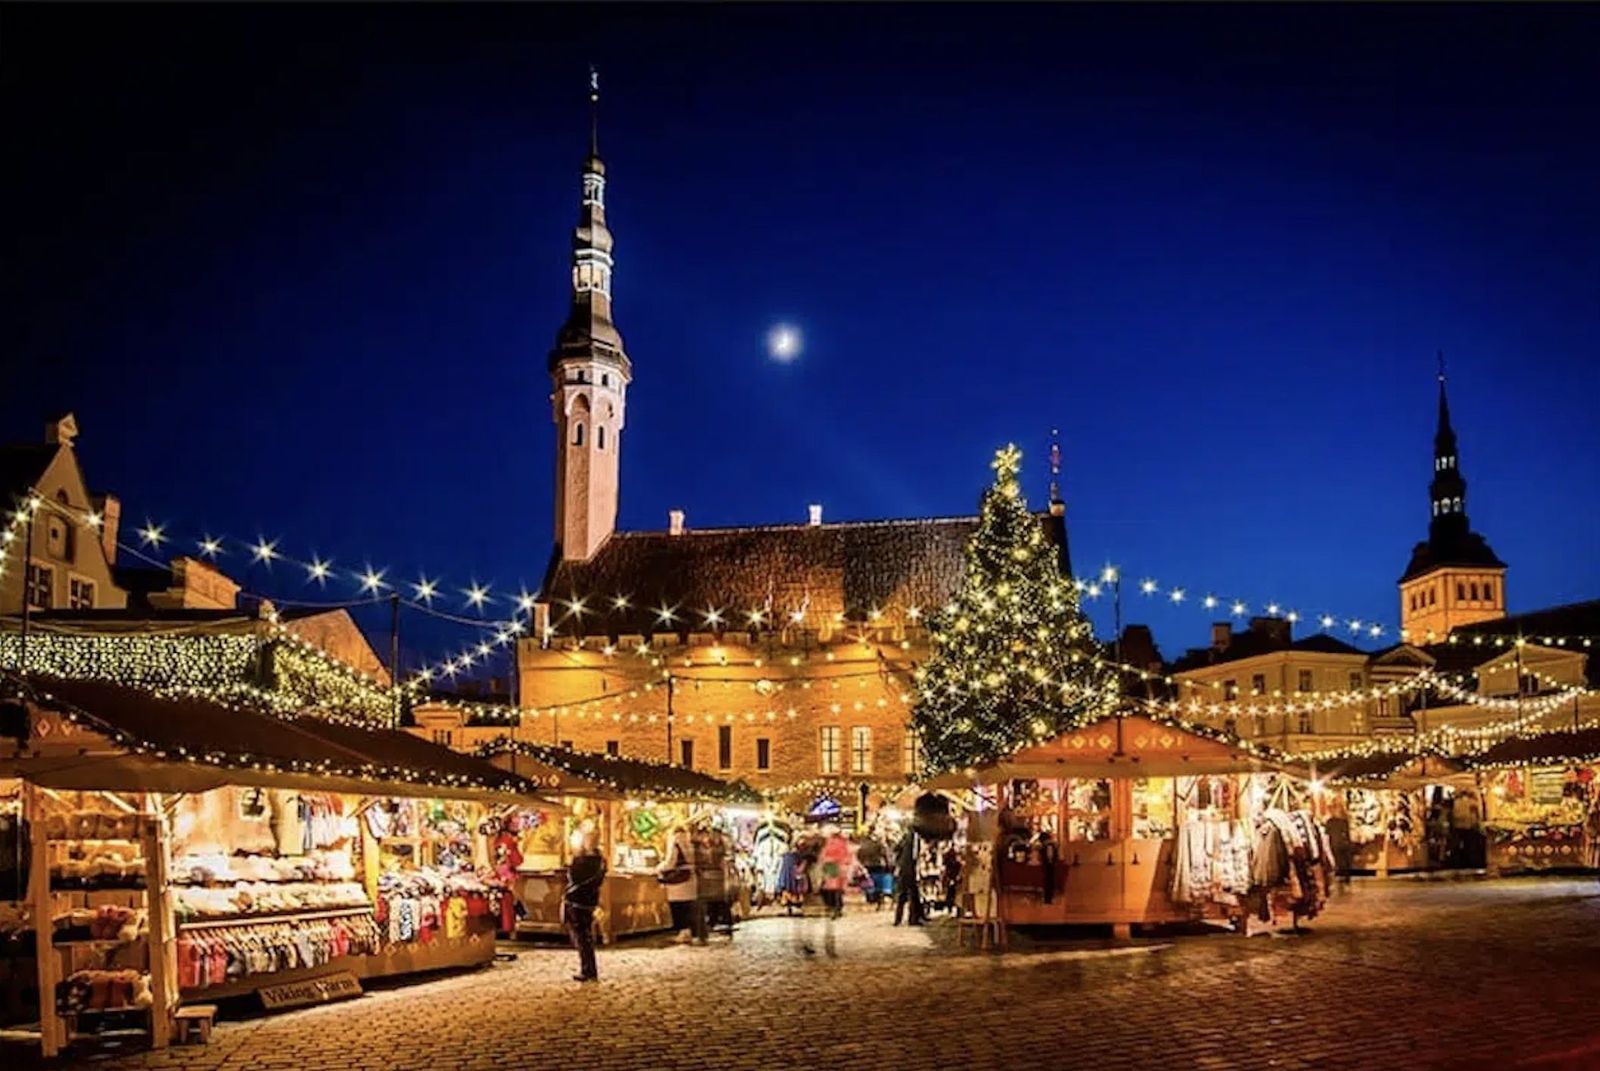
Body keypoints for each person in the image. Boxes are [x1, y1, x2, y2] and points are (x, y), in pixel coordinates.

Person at [564, 830, 606, 983]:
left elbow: (574, 876)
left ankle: (588, 970)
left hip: (578, 901)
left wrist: (572, 863)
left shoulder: (583, 860)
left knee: (582, 937)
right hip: (589, 900)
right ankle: (589, 969)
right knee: (585, 936)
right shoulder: (600, 861)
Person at [658, 825, 699, 943]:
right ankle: (689, 932)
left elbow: (671, 861)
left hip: (678, 881)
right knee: (687, 906)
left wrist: (660, 868)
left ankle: (683, 932)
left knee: (678, 907)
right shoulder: (691, 842)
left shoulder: (675, 841)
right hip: (691, 878)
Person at [818, 825, 853, 920]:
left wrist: (824, 864)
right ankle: (837, 908)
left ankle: (835, 908)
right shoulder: (843, 843)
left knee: (833, 889)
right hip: (838, 866)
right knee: (836, 889)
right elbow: (847, 856)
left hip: (833, 866)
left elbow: (824, 855)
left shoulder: (831, 843)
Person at [893, 830, 923, 926]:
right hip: (910, 869)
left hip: (903, 868)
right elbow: (915, 855)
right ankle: (913, 919)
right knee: (913, 894)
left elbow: (896, 848)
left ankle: (898, 919)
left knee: (902, 895)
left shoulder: (905, 836)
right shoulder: (915, 837)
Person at [856, 833, 889, 908]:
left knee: (868, 881)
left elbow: (859, 855)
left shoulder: (863, 844)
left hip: (867, 865)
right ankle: (878, 897)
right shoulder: (879, 844)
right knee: (878, 881)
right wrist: (888, 864)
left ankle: (870, 897)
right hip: (878, 864)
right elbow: (884, 854)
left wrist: (862, 863)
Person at [940, 843, 963, 914]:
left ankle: (952, 908)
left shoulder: (951, 855)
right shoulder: (951, 855)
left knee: (953, 893)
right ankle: (952, 908)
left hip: (953, 875)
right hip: (952, 875)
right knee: (952, 893)